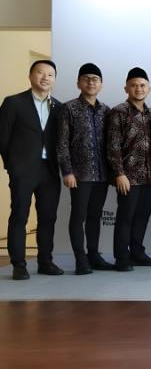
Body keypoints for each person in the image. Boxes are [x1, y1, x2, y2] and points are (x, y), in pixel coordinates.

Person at [0, 60, 63, 280]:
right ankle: (18, 264)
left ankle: (45, 261)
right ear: (30, 76)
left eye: (50, 74)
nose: (45, 77)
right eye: (40, 73)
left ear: (54, 79)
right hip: (23, 169)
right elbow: (3, 138)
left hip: (50, 170)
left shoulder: (59, 107)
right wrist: (12, 166)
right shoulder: (13, 103)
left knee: (48, 217)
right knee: (20, 215)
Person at [56, 62, 113, 275]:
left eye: (95, 79)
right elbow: (62, 143)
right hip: (79, 174)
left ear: (101, 84)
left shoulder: (106, 110)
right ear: (78, 83)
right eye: (86, 79)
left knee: (95, 216)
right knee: (78, 216)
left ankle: (94, 256)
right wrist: (67, 171)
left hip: (102, 174)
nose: (91, 82)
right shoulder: (68, 108)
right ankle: (81, 260)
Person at [106, 67, 151, 271]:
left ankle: (137, 253)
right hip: (128, 177)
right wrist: (119, 174)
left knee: (142, 217)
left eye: (142, 85)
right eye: (134, 85)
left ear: (149, 88)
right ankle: (122, 257)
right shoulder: (118, 112)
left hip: (149, 177)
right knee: (125, 218)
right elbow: (112, 146)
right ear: (126, 88)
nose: (139, 89)